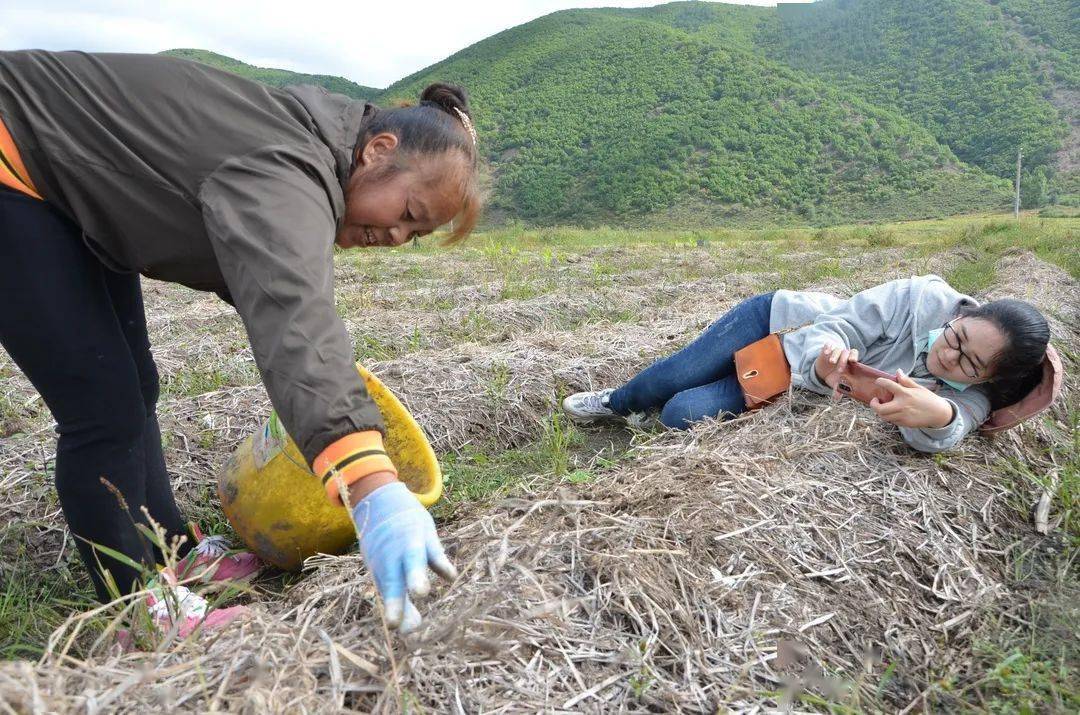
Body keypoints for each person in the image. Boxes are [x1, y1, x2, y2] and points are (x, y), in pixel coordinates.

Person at [0, 50, 481, 634]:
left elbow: (276, 295)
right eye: (408, 211)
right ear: (378, 150)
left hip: (68, 191)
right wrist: (372, 486)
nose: (395, 235)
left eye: (414, 235)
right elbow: (292, 314)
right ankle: (137, 607)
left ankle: (170, 547)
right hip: (16, 164)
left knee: (134, 381)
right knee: (102, 408)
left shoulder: (304, 148)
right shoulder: (286, 168)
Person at [563, 276, 1056, 453]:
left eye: (969, 364)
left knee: (681, 412)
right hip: (784, 328)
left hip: (793, 376)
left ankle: (664, 400)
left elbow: (955, 426)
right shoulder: (919, 297)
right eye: (957, 337)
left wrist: (940, 416)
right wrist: (827, 365)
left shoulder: (972, 396)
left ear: (990, 379)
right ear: (965, 313)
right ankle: (616, 401)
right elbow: (837, 328)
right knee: (673, 377)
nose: (949, 354)